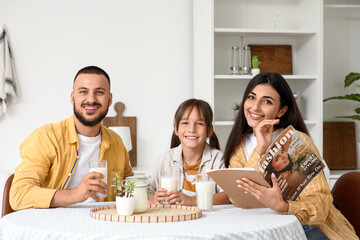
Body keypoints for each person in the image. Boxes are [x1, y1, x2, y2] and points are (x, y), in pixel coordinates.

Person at [223, 72, 358, 240]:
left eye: (266, 101)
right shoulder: (239, 148)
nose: (255, 107)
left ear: (281, 111)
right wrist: (261, 148)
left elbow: (321, 204)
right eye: (251, 97)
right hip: (264, 230)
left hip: (312, 229)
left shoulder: (297, 141)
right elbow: (237, 198)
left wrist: (284, 206)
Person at [9, 66, 134, 211]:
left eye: (99, 92)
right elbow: (19, 195)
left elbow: (128, 190)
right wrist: (74, 194)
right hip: (52, 227)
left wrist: (152, 196)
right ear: (72, 97)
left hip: (103, 225)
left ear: (109, 99)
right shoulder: (47, 137)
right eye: (83, 92)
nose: (91, 99)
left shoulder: (116, 142)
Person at [148, 98, 230, 206]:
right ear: (176, 128)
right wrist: (154, 198)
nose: (191, 129)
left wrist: (192, 201)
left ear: (209, 130)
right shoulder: (164, 160)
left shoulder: (217, 160)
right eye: (185, 123)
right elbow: (142, 191)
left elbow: (229, 195)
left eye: (200, 123)